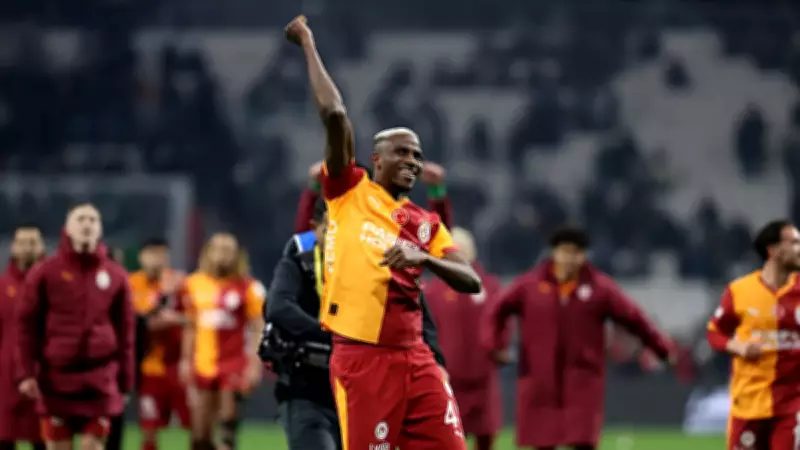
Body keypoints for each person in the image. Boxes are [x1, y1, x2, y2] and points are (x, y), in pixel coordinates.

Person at [285, 15, 481, 450]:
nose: (412, 161)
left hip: (416, 357)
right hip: (363, 356)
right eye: (402, 153)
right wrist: (308, 43)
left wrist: (424, 257)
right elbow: (335, 114)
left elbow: (471, 280)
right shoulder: (348, 191)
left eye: (418, 155)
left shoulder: (424, 223)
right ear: (376, 160)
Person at [265, 196, 449, 450]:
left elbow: (418, 316)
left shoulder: (381, 265)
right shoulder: (299, 263)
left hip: (365, 390)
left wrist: (438, 362)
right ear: (316, 229)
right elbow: (278, 308)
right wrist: (333, 335)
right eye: (332, 228)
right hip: (308, 388)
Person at [483, 226, 673, 450]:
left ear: (584, 256)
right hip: (540, 379)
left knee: (583, 442)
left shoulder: (600, 288)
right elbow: (495, 311)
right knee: (543, 443)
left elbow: (635, 318)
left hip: (582, 380)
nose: (569, 258)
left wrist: (662, 349)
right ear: (554, 253)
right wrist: (495, 345)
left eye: (576, 252)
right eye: (564, 251)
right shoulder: (529, 286)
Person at [15, 203, 135, 450]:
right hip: (56, 379)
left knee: (93, 446)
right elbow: (27, 326)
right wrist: (26, 373)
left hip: (100, 381)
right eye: (80, 219)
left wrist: (126, 380)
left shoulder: (116, 276)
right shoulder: (45, 272)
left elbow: (126, 332)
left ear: (100, 229)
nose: (87, 224)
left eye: (93, 219)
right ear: (67, 229)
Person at [707, 219, 800, 450]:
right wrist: (738, 347)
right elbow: (714, 333)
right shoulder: (740, 291)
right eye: (794, 243)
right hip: (749, 404)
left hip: (791, 405)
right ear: (773, 250)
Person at [179, 233, 265, 450]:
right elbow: (190, 327)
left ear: (237, 255)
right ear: (207, 252)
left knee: (228, 427)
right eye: (217, 249)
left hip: (234, 364)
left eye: (228, 250)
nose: (222, 254)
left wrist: (254, 364)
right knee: (200, 435)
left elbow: (257, 328)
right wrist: (185, 360)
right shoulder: (193, 284)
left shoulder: (250, 287)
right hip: (203, 364)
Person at [424, 227, 504, 450]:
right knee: (451, 433)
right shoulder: (433, 291)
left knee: (486, 432)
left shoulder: (490, 285)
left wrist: (498, 347)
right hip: (449, 374)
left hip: (484, 373)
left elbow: (502, 321)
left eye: (464, 248)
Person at [129, 238, 190, 450]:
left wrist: (173, 319)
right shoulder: (132, 284)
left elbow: (193, 319)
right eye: (152, 254)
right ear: (141, 257)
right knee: (149, 430)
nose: (158, 259)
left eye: (162, 254)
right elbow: (140, 322)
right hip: (149, 367)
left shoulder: (181, 283)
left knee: (196, 428)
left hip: (178, 366)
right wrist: (165, 315)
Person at [0, 225, 45, 450]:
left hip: (43, 374)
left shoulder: (52, 285)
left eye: (33, 242)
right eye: (22, 242)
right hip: (5, 375)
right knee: (4, 437)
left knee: (45, 438)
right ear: (13, 247)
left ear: (41, 247)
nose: (27, 248)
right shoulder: (1, 286)